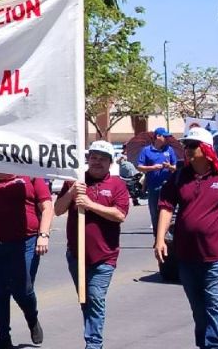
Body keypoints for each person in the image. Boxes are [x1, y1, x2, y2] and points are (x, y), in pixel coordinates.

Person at [55, 141, 129, 349]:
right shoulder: (75, 182)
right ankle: (92, 337)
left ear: (110, 162)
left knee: (95, 298)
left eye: (102, 159)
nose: (97, 162)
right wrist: (71, 193)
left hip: (104, 257)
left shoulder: (117, 185)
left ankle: (93, 344)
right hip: (76, 255)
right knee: (85, 300)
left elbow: (120, 215)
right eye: (94, 157)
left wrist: (90, 205)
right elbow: (58, 210)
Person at [0, 172, 53, 349]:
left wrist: (44, 234)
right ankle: (3, 337)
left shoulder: (30, 177)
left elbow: (47, 206)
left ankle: (32, 318)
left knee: (23, 290)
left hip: (24, 243)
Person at [155, 127, 218, 349]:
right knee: (199, 309)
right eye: (186, 146)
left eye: (193, 146)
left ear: (206, 148)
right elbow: (165, 206)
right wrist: (160, 239)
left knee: (215, 306)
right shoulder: (180, 176)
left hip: (215, 257)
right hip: (186, 256)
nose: (188, 150)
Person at [137, 127, 177, 235]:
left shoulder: (169, 150)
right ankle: (157, 235)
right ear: (158, 136)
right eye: (165, 136)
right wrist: (153, 168)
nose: (167, 139)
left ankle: (167, 235)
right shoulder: (146, 150)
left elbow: (176, 167)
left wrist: (169, 166)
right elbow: (140, 167)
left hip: (168, 187)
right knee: (155, 213)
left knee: (168, 211)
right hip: (153, 187)